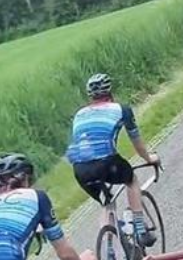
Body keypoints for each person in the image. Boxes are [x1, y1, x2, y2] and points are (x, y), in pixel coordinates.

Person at [65, 73, 160, 248]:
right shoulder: (121, 109)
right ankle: (140, 229)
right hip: (107, 163)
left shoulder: (79, 114)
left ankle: (108, 252)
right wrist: (150, 158)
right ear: (110, 91)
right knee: (131, 179)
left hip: (80, 169)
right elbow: (138, 145)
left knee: (107, 204)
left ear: (90, 96)